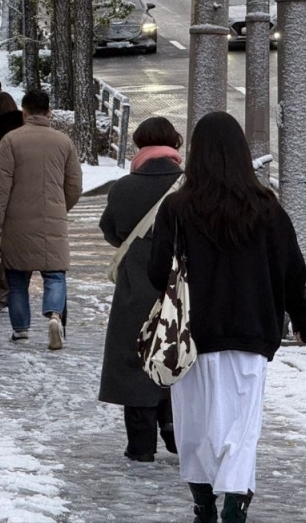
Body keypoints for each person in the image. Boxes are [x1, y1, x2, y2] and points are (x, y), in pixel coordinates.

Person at [147, 111, 306, 523]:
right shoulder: (266, 209)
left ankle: (203, 504)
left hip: (190, 338)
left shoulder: (177, 208)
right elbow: (291, 271)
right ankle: (235, 507)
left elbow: (158, 272)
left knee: (195, 429)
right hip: (249, 338)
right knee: (240, 431)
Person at [99, 117, 184, 463]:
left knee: (135, 359)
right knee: (177, 353)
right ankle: (176, 429)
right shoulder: (188, 186)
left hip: (137, 285)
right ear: (174, 145)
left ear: (139, 146)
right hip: (181, 289)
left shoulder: (124, 187)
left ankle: (140, 444)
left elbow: (112, 230)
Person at [0, 89, 82, 349]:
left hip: (17, 220)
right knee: (55, 274)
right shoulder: (63, 142)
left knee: (17, 278)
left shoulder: (11, 141)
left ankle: (21, 329)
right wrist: (61, 207)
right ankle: (53, 314)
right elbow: (74, 185)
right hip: (52, 219)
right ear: (49, 111)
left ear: (24, 111)